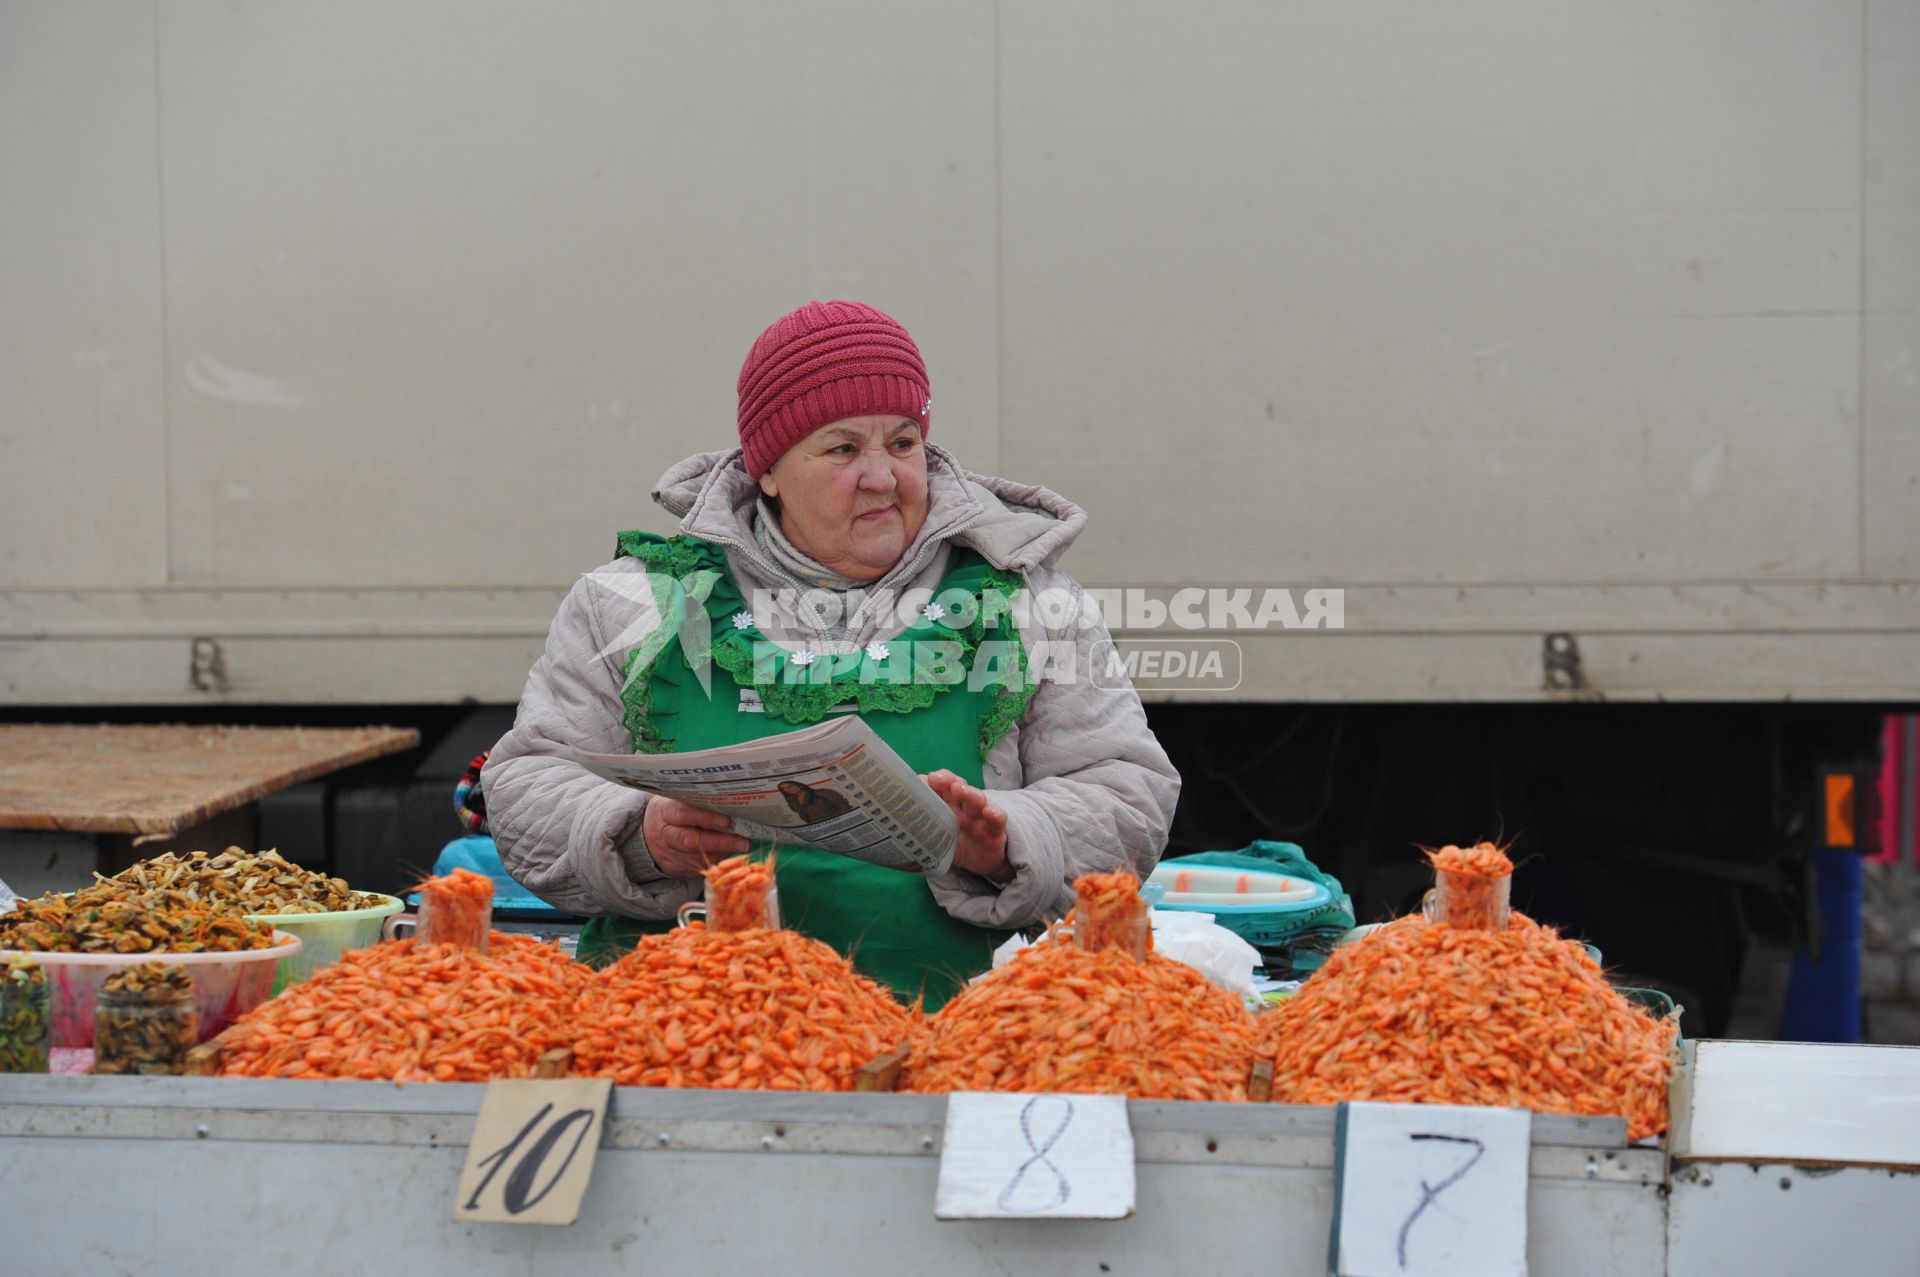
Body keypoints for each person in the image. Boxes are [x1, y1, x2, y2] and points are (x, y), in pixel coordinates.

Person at [484, 299, 1179, 1006]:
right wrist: (638, 835)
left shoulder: (1030, 606)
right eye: (843, 448)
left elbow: (1127, 793)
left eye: (903, 443)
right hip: (676, 1034)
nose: (882, 476)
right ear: (769, 471)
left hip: (952, 1032)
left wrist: (1008, 842)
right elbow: (526, 784)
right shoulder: (631, 603)